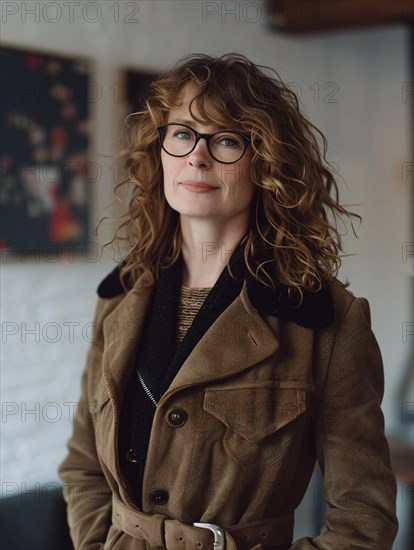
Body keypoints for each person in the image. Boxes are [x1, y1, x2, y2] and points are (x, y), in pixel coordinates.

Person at [58, 53, 398, 549]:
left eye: (226, 140)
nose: (197, 157)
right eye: (182, 134)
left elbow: (363, 517)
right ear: (160, 150)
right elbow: (83, 464)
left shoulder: (325, 320)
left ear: (265, 161)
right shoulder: (121, 296)